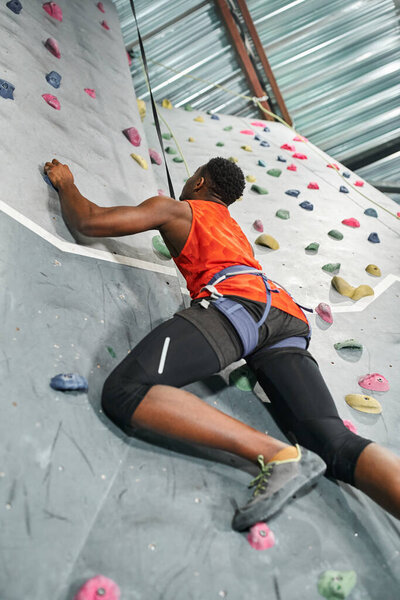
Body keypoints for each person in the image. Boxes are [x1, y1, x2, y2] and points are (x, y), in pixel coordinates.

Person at [44, 156, 400, 528]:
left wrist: (66, 183)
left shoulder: (178, 209)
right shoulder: (231, 227)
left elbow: (89, 220)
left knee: (127, 390)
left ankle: (277, 456)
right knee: (335, 443)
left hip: (238, 307)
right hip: (285, 314)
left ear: (199, 182)